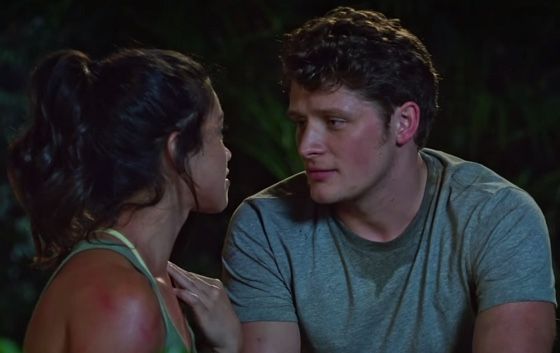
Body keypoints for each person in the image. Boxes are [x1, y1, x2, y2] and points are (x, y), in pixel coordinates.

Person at [221, 6, 557, 353]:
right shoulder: (266, 224)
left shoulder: (496, 215)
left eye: (334, 121)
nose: (307, 146)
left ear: (404, 122)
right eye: (300, 123)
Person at [7, 48, 241, 353]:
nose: (227, 152)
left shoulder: (147, 282)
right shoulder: (121, 299)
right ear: (177, 149)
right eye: (218, 132)